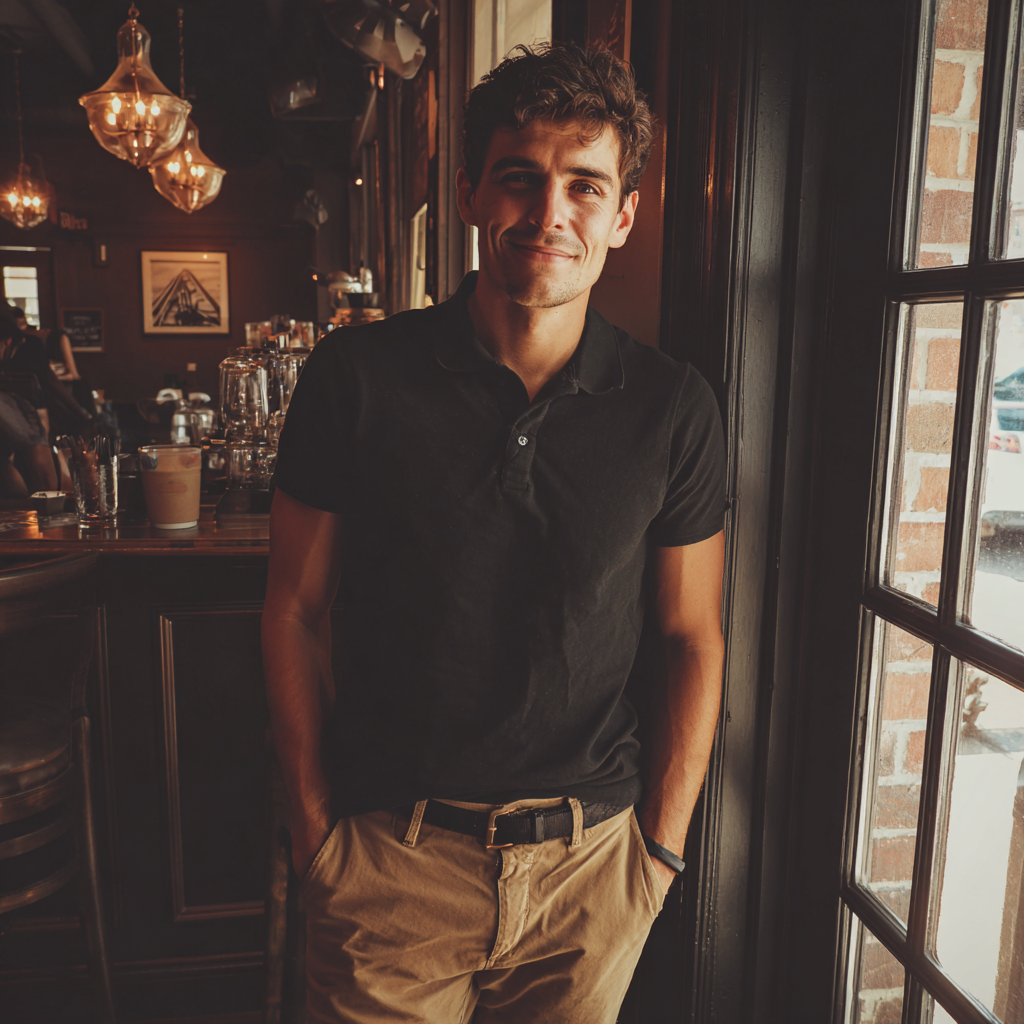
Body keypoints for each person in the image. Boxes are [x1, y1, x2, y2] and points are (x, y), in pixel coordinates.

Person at [263, 43, 727, 1024]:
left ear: (624, 214)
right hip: (390, 858)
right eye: (520, 178)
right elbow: (294, 610)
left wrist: (658, 853)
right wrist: (315, 837)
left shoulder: (672, 407)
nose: (551, 214)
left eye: (584, 186)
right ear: (471, 192)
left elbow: (693, 634)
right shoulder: (355, 378)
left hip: (591, 871)